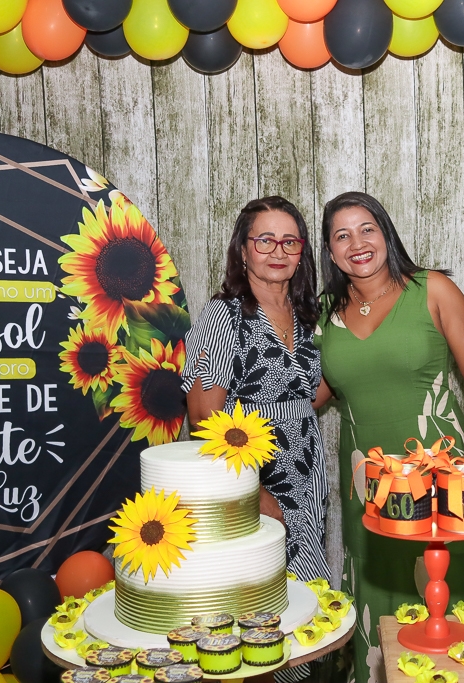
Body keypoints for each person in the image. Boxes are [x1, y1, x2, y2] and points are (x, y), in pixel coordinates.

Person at [313, 191, 464, 683]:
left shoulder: (432, 289)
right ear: (330, 252)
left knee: (446, 586)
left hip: (441, 474)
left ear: (386, 233)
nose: (357, 243)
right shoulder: (326, 312)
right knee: (378, 589)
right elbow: (314, 393)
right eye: (342, 236)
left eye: (366, 229)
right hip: (367, 482)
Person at [182, 195, 331, 588]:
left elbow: (307, 398)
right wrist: (253, 491)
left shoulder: (308, 316)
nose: (278, 252)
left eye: (289, 242)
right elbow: (202, 418)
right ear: (243, 250)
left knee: (309, 599)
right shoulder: (223, 315)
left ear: (301, 252)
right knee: (261, 596)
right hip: (253, 480)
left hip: (308, 479)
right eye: (265, 240)